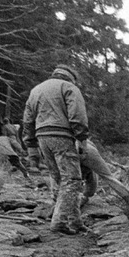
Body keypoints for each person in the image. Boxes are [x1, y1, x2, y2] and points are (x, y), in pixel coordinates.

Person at [22, 63, 91, 234]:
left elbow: (27, 120)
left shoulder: (36, 90)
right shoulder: (69, 87)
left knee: (59, 178)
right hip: (61, 135)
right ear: (71, 77)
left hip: (42, 137)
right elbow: (77, 115)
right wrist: (82, 138)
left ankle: (75, 221)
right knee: (73, 180)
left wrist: (31, 145)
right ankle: (58, 222)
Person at [78, 138, 129, 210]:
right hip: (86, 148)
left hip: (72, 151)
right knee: (107, 177)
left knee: (70, 182)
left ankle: (75, 204)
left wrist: (87, 195)